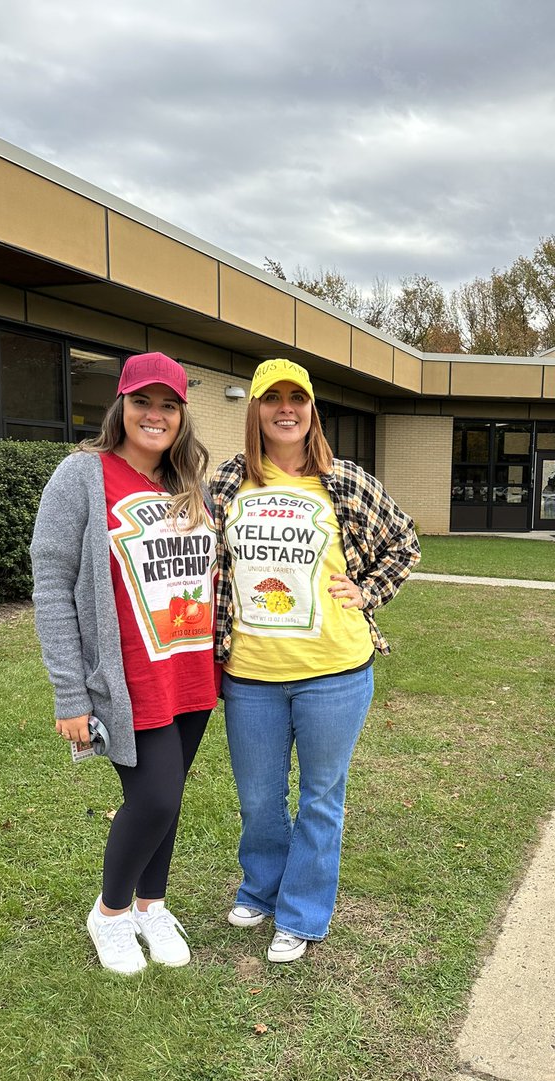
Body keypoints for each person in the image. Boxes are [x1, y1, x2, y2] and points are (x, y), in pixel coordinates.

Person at [211, 358, 420, 963]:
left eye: (295, 398)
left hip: (335, 670)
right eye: (271, 398)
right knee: (258, 798)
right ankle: (261, 888)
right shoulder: (228, 483)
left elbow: (403, 542)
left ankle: (300, 913)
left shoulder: (344, 481)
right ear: (254, 410)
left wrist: (368, 589)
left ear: (311, 410)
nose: (285, 408)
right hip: (251, 674)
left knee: (320, 797)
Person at [30, 352, 218, 975]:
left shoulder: (188, 483)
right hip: (128, 679)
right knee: (156, 799)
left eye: (168, 406)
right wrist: (70, 694)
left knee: (171, 797)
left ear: (182, 415)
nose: (155, 416)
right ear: (121, 406)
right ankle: (110, 915)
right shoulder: (82, 475)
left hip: (190, 671)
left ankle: (150, 905)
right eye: (143, 402)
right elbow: (52, 583)